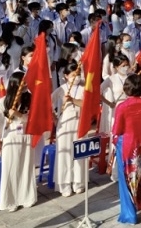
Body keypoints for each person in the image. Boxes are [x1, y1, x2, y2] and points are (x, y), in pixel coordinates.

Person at [112, 73, 141, 224]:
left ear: (126, 89)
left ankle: (129, 214)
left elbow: (116, 130)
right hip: (139, 143)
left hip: (125, 144)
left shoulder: (122, 106)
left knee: (125, 180)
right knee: (136, 177)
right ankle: (137, 203)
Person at [0, 71, 37, 212]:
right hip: (10, 136)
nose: (25, 85)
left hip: (26, 136)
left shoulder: (30, 98)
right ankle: (10, 200)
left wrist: (18, 114)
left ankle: (26, 197)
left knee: (25, 166)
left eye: (26, 82)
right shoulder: (3, 102)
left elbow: (32, 118)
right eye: (22, 82)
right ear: (15, 84)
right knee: (11, 168)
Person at [53, 61, 86, 197]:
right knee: (65, 154)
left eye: (78, 74)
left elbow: (85, 104)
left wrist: (72, 100)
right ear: (66, 76)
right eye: (73, 75)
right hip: (65, 124)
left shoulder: (84, 88)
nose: (76, 77)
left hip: (80, 123)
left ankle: (78, 182)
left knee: (78, 153)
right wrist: (55, 118)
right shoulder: (61, 89)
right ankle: (65, 184)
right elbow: (48, 102)